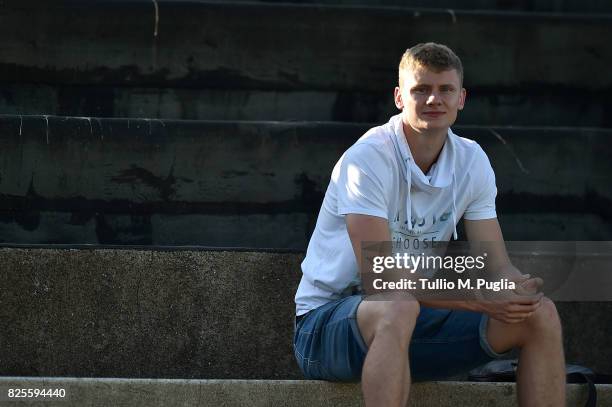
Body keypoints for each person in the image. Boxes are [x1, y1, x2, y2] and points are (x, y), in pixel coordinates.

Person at [293, 42, 565, 407]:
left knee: (539, 312)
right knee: (398, 305)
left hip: (415, 325)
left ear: (461, 98)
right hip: (325, 328)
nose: (434, 99)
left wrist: (515, 288)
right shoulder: (366, 159)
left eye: (445, 89)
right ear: (399, 97)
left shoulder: (472, 160)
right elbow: (380, 279)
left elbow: (496, 265)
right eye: (421, 89)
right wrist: (478, 297)